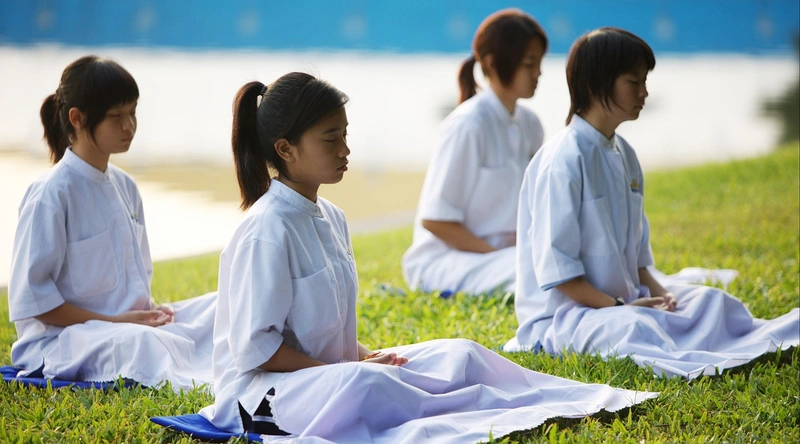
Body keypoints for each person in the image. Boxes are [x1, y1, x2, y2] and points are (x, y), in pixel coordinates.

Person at [198, 72, 656, 441]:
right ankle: (478, 412)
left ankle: (559, 401)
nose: (345, 150)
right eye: (330, 139)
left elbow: (323, 328)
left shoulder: (331, 217)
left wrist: (363, 353)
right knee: (372, 384)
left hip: (331, 375)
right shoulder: (265, 231)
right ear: (285, 149)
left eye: (345, 135)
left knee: (460, 353)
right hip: (260, 397)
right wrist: (349, 367)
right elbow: (257, 349)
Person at [507, 28, 799, 378]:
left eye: (644, 81)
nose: (644, 93)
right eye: (634, 82)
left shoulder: (624, 153)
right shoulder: (563, 160)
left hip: (627, 301)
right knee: (634, 330)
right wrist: (622, 306)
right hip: (569, 315)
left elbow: (640, 264)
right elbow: (561, 278)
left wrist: (665, 298)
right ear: (596, 84)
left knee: (712, 303)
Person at [8, 55, 216, 390]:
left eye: (132, 112)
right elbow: (36, 303)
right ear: (77, 118)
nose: (129, 125)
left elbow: (134, 285)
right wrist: (118, 321)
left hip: (126, 325)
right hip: (65, 340)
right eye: (116, 116)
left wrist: (150, 313)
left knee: (221, 307)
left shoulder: (126, 187)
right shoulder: (50, 194)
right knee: (144, 344)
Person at [401, 9, 547, 296]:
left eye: (539, 63)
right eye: (530, 63)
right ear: (492, 64)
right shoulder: (467, 125)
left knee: (567, 264)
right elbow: (435, 219)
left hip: (505, 256)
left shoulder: (530, 125)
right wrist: (497, 253)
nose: (538, 72)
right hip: (450, 260)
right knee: (540, 274)